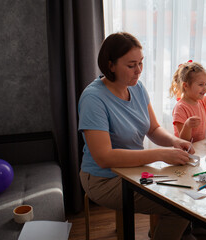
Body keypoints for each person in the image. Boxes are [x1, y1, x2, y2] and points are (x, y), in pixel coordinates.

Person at [78, 32, 194, 240]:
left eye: (141, 63)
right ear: (110, 65)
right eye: (131, 65)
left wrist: (175, 141)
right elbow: (104, 158)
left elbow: (153, 129)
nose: (139, 71)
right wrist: (160, 154)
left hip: (134, 170)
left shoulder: (137, 87)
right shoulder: (93, 99)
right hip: (103, 179)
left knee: (186, 188)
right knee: (181, 204)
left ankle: (162, 233)